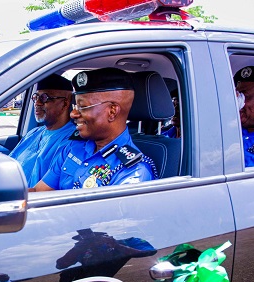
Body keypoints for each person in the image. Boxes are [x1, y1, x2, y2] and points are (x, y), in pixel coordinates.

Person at [30, 67, 158, 191]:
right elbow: (39, 191)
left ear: (112, 112)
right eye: (75, 106)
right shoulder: (73, 147)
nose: (73, 114)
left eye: (82, 107)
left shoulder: (132, 171)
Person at [9, 74, 75, 187]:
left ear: (65, 103)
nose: (37, 103)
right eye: (36, 97)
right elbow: (8, 166)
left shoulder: (72, 140)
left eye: (45, 98)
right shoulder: (33, 133)